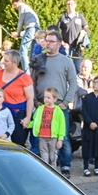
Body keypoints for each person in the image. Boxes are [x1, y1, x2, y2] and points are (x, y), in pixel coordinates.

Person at [31, 29, 78, 173]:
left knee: (61, 137)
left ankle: (65, 166)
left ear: (58, 44)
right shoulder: (39, 59)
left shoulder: (66, 61)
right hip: (41, 105)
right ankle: (41, 166)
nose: (48, 44)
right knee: (40, 136)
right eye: (47, 40)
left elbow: (73, 83)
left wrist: (65, 102)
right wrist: (34, 100)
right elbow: (31, 81)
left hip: (59, 106)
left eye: (51, 41)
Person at [0, 50, 35, 146]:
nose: (3, 63)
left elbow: (30, 99)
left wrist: (28, 117)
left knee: (17, 144)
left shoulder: (24, 78)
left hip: (17, 115)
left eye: (6, 61)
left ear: (14, 63)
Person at [80, 78, 98, 176]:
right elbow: (84, 111)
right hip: (88, 127)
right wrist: (90, 122)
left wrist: (97, 123)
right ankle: (85, 167)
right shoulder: (86, 97)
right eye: (94, 82)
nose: (95, 84)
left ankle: (97, 167)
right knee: (87, 147)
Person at [58, 0, 89, 72]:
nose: (69, 6)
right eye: (68, 4)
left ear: (75, 5)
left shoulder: (80, 17)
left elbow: (87, 30)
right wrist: (62, 43)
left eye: (71, 4)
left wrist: (83, 43)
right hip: (65, 48)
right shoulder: (63, 17)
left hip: (78, 49)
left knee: (78, 69)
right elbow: (56, 31)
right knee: (64, 69)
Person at [13, 0, 40, 74]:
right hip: (35, 29)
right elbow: (30, 28)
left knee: (23, 51)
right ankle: (32, 72)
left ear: (19, 2)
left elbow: (20, 22)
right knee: (32, 52)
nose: (15, 8)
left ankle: (26, 73)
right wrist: (19, 34)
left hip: (31, 29)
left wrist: (17, 33)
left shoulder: (22, 7)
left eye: (15, 5)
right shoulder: (28, 9)